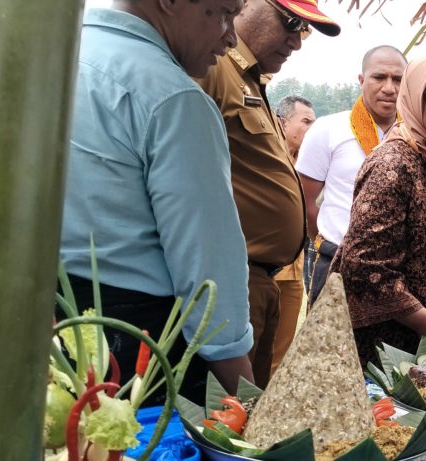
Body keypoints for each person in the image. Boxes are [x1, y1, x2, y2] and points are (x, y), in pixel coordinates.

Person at [59, 0, 253, 401]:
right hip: (138, 351)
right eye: (222, 12)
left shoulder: (54, 59)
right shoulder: (172, 97)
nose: (231, 36)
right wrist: (245, 393)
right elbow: (208, 274)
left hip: (51, 333)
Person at [194, 0, 338, 386]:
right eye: (290, 22)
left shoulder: (250, 78)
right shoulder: (213, 66)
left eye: (303, 30)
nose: (296, 41)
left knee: (253, 419)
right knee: (227, 419)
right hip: (231, 280)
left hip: (262, 283)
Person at [332, 56, 426, 367]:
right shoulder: (392, 163)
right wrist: (424, 321)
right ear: (412, 95)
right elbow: (363, 263)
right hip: (388, 348)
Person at [296, 45, 407, 305]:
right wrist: (328, 245)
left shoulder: (415, 136)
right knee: (329, 345)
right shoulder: (328, 129)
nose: (389, 88)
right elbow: (304, 200)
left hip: (397, 270)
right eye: (379, 77)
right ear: (361, 80)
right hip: (336, 261)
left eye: (398, 79)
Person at [269, 94, 316, 376]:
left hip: (295, 272)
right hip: (267, 271)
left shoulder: (309, 166)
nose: (312, 128)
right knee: (257, 348)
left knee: (282, 354)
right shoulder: (267, 158)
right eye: (306, 121)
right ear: (283, 124)